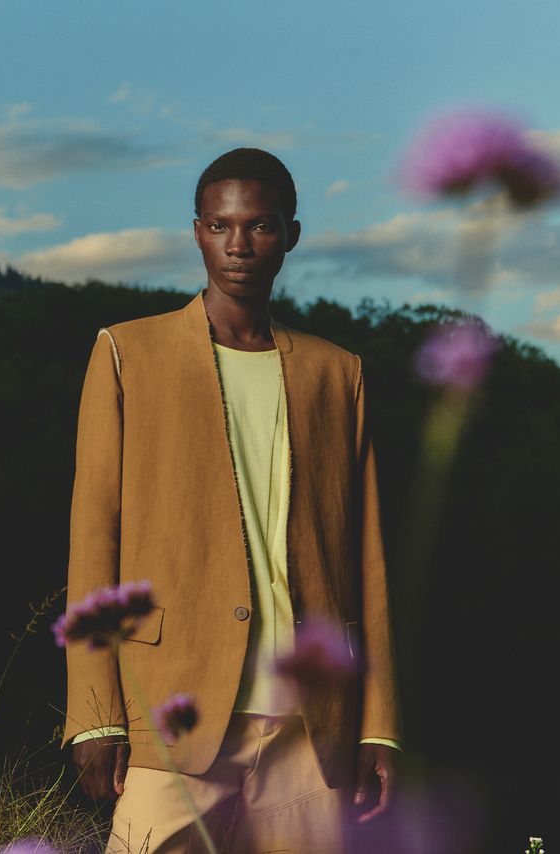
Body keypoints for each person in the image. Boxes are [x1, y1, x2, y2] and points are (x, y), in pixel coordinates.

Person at [62, 148, 403, 853]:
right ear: (196, 232)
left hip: (310, 724)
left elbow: (365, 556)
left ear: (291, 235)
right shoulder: (128, 353)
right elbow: (95, 535)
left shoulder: (338, 374)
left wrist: (378, 723)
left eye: (259, 226)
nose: (238, 246)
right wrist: (94, 716)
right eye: (220, 226)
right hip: (171, 712)